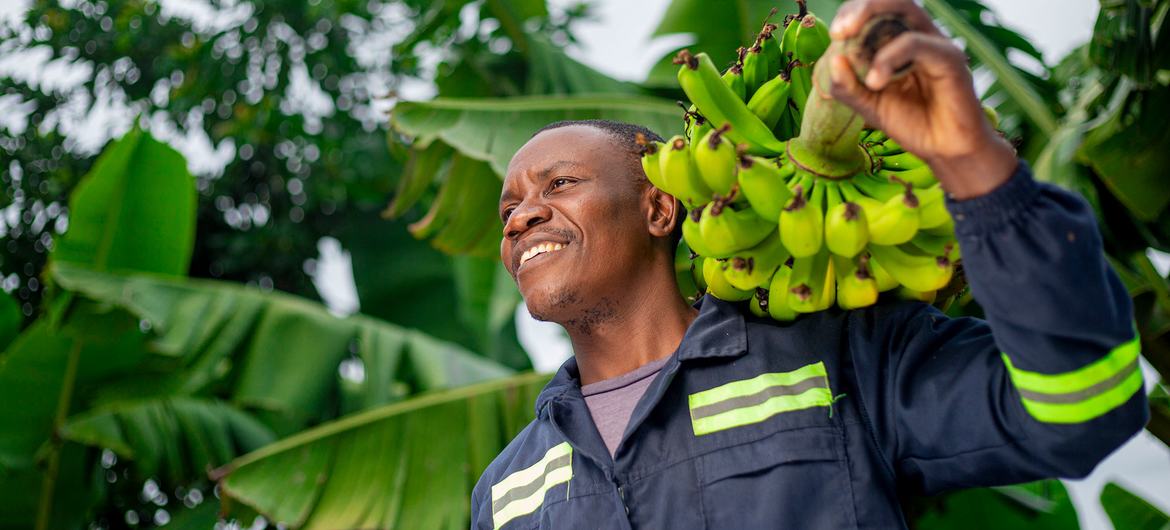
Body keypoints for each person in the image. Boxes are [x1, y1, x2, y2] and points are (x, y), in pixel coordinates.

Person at [471, 0, 1148, 527]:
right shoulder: (505, 490)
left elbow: (1083, 409)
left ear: (658, 209)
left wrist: (970, 158)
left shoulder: (838, 364)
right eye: (510, 205)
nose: (521, 215)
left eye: (559, 185)